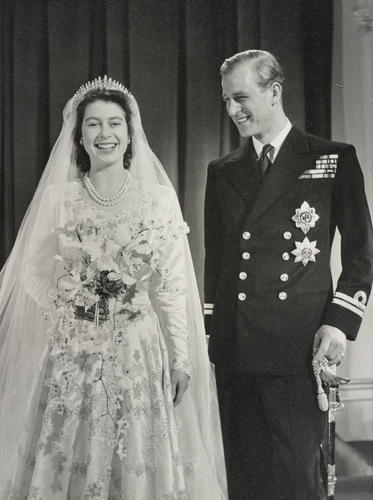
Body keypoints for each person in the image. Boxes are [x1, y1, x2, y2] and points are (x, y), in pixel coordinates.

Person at [0, 76, 227, 500]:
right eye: (93, 124)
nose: (105, 134)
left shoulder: (157, 199)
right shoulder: (58, 199)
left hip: (137, 351)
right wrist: (68, 305)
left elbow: (173, 286)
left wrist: (182, 358)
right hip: (73, 351)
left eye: (114, 123)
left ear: (130, 132)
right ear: (79, 136)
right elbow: (31, 272)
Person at [204, 50, 373, 500]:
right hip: (236, 345)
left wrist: (339, 321)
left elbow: (360, 252)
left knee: (298, 477)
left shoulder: (331, 158)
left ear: (274, 92)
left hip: (297, 347)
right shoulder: (222, 171)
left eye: (241, 98)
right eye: (226, 101)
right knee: (244, 476)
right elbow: (216, 264)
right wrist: (209, 334)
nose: (233, 110)